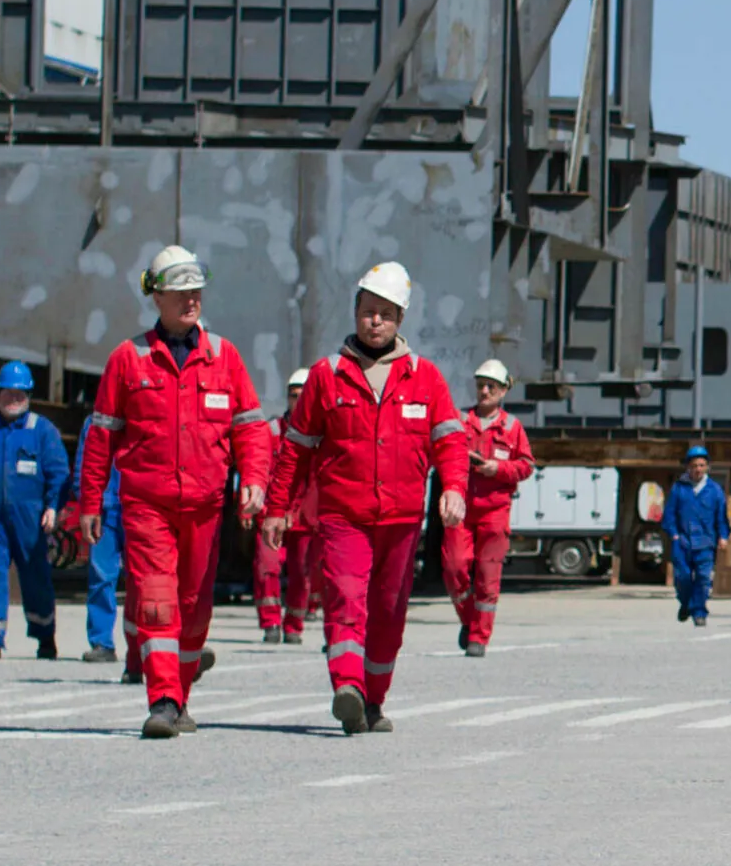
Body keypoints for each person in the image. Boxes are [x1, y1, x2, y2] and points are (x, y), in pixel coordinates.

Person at [72, 245, 273, 739]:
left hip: (205, 505)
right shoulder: (128, 359)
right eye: (180, 293)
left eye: (196, 292)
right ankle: (161, 699)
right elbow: (102, 436)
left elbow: (249, 427)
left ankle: (179, 692)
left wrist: (254, 479)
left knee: (194, 606)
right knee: (158, 599)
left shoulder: (223, 356)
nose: (191, 301)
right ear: (156, 297)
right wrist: (90, 502)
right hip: (147, 504)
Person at [262, 262, 468, 737]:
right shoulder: (326, 376)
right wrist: (278, 507)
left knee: (389, 613)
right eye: (368, 312)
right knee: (345, 599)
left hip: (400, 519)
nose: (375, 322)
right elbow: (294, 448)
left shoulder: (425, 378)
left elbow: (451, 442)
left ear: (400, 320)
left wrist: (454, 486)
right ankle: (347, 687)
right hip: (343, 516)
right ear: (355, 312)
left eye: (386, 314)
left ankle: (372, 701)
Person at [0, 360, 72, 660]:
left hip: (30, 519)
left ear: (29, 396)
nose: (13, 399)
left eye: (19, 394)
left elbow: (59, 473)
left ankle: (45, 636)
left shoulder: (42, 431)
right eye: (8, 393)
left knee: (35, 577)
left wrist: (53, 506)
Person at [445, 359, 536, 656]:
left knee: (487, 574)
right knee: (454, 566)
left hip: (495, 510)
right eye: (481, 385)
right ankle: (470, 618)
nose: (484, 391)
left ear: (502, 391)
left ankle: (478, 638)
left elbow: (525, 466)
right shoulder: (459, 421)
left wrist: (496, 468)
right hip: (461, 507)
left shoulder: (511, 427)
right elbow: (442, 453)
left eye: (491, 387)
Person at [253, 369, 323, 647]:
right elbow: (256, 470)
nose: (299, 401)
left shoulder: (323, 435)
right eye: (294, 396)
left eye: (304, 396)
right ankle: (270, 623)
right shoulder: (270, 432)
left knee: (303, 572)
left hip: (307, 517)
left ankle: (294, 624)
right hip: (272, 513)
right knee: (266, 567)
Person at [67, 426, 130, 672]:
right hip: (104, 509)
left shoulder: (148, 409)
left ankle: (144, 645)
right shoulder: (94, 421)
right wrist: (86, 501)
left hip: (140, 505)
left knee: (144, 579)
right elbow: (85, 462)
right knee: (101, 576)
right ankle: (101, 643)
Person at [664, 446, 728, 626]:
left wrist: (723, 536)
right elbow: (669, 516)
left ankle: (699, 611)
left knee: (703, 578)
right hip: (682, 542)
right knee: (683, 577)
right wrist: (674, 535)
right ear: (687, 467)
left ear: (707, 467)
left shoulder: (715, 490)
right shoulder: (679, 489)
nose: (698, 469)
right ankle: (685, 603)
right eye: (694, 466)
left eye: (701, 465)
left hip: (705, 543)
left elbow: (721, 517)